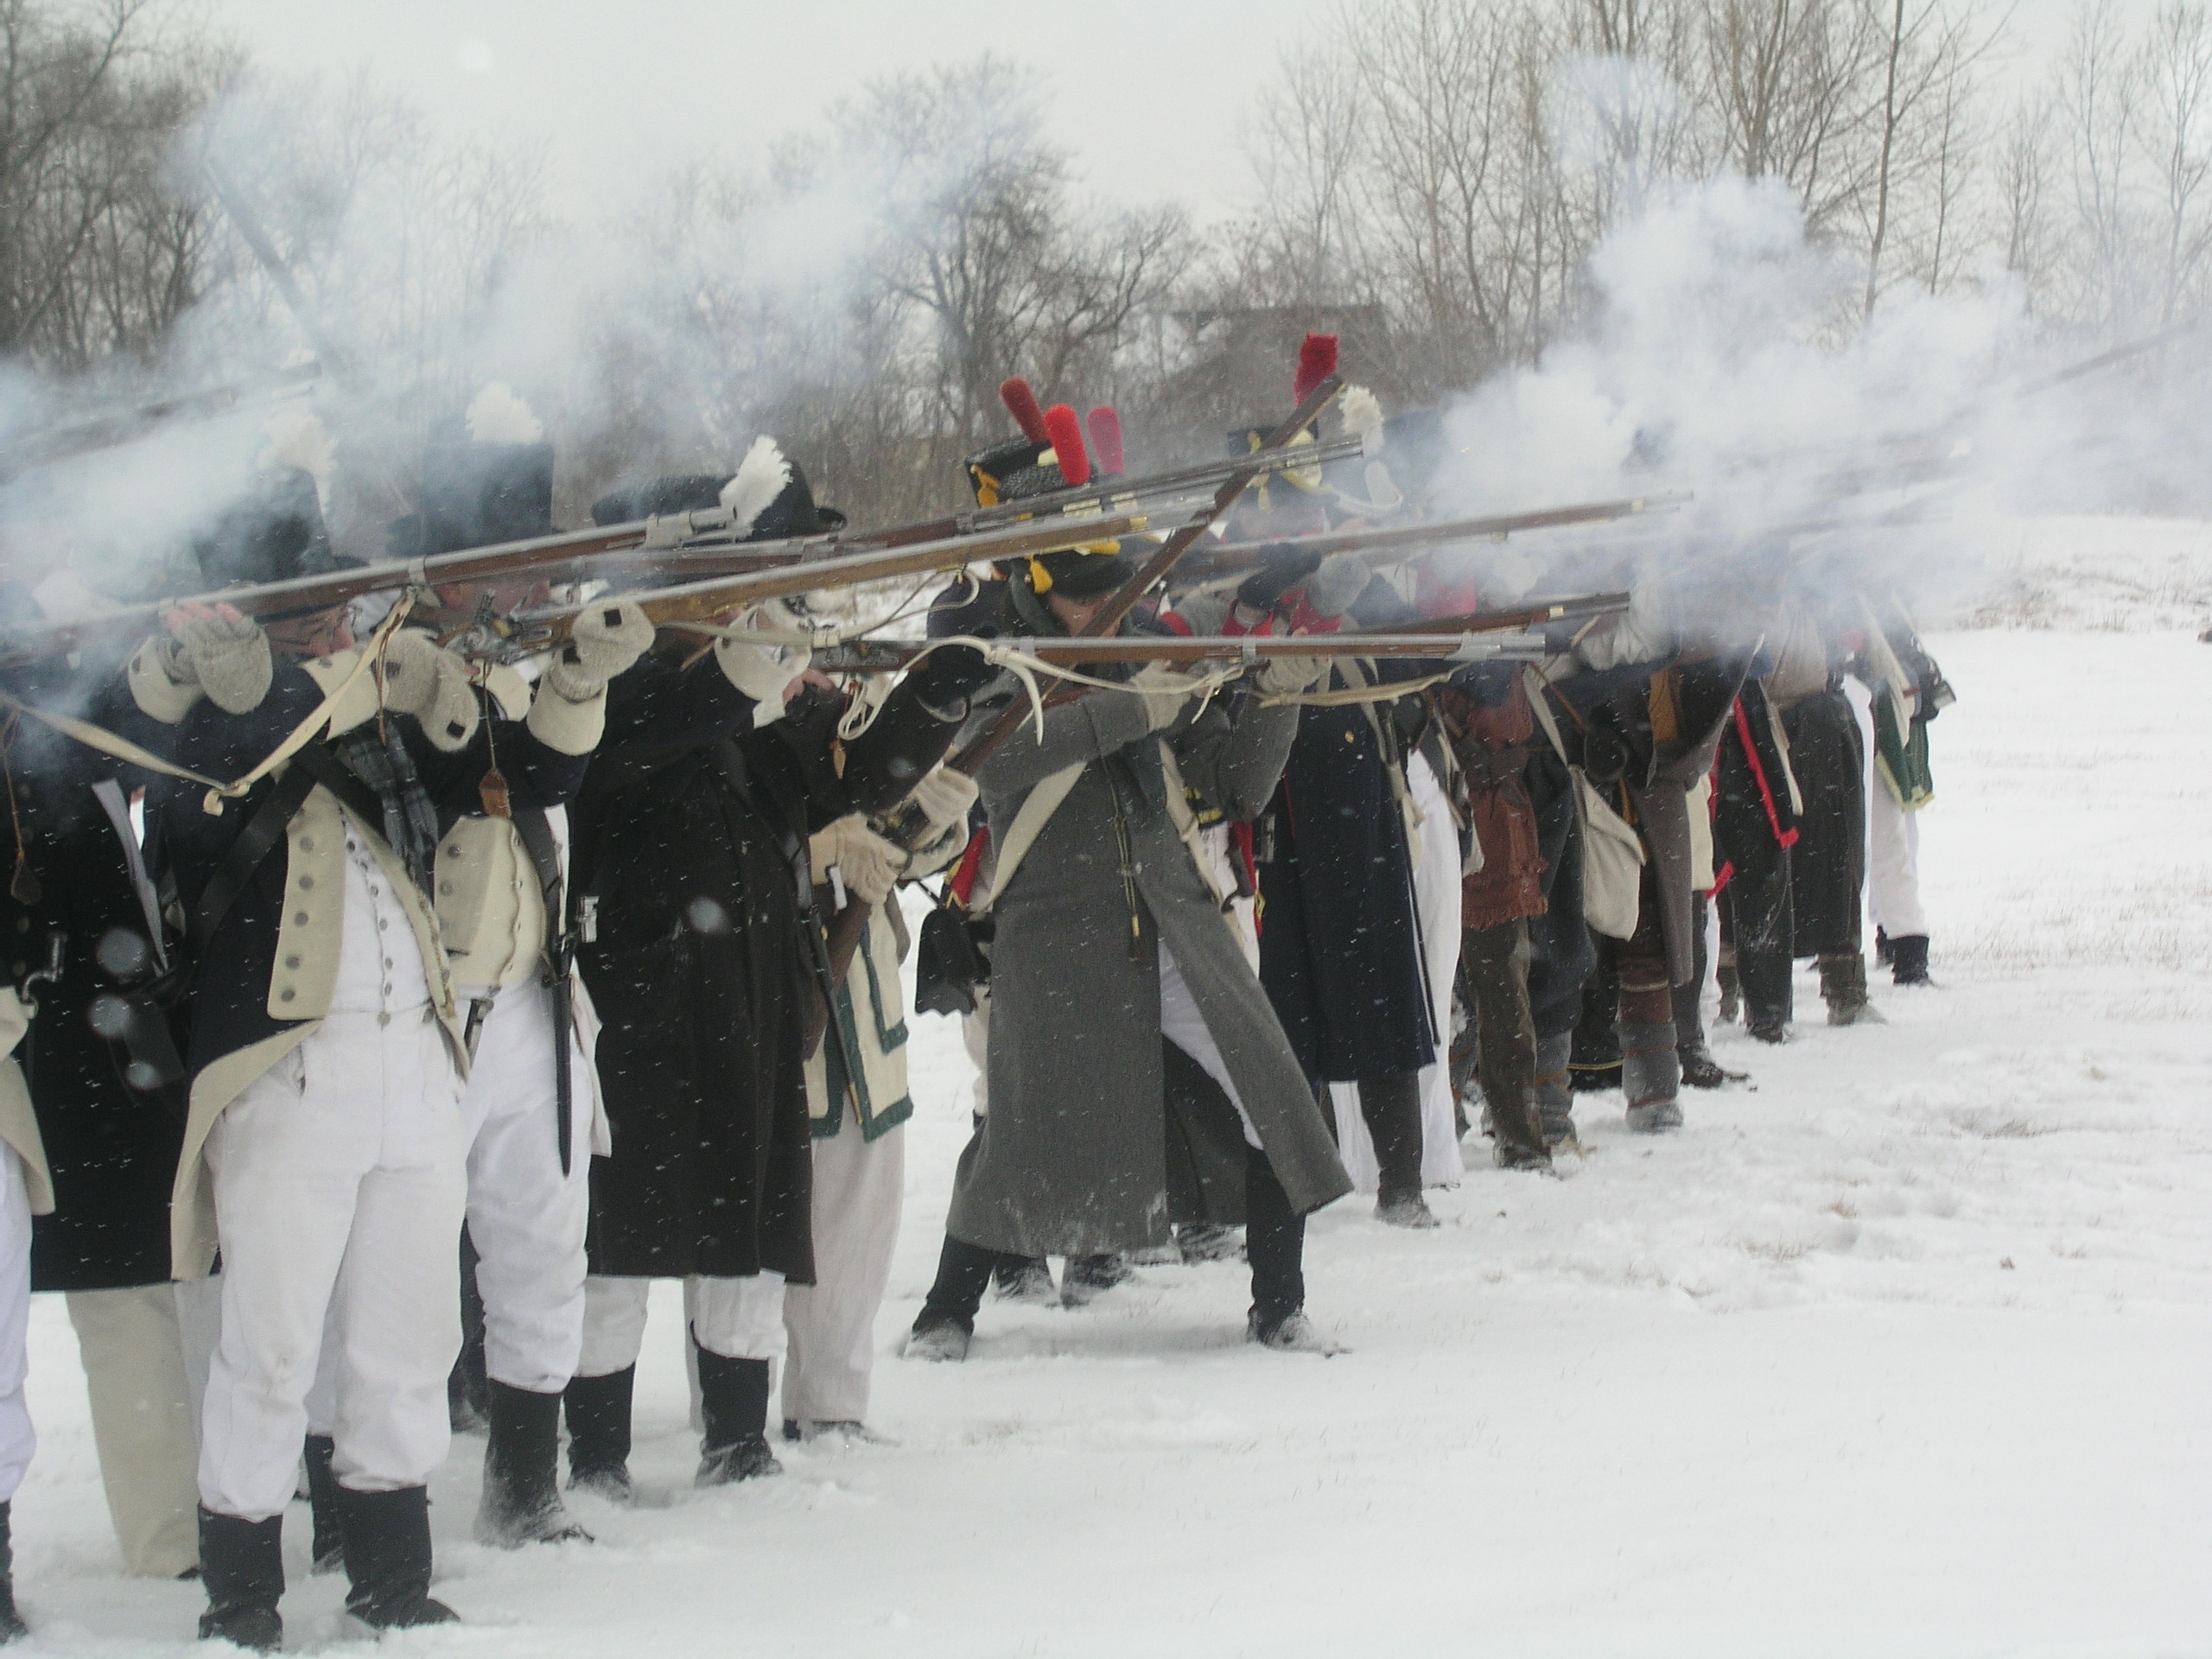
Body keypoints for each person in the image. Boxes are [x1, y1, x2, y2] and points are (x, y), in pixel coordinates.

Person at [132, 457, 591, 1647]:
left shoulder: (389, 705)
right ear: (250, 615)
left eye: (337, 605)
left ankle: (392, 1573)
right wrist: (244, 684)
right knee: (273, 1346)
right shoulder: (191, 733)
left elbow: (517, 773)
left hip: (415, 1067)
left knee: (407, 1340)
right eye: (306, 610)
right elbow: (210, 804)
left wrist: (578, 678)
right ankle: (243, 1592)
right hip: (289, 1078)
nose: (336, 623)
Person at [560, 451, 992, 1495]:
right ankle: (599, 1455)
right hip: (637, 1000)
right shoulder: (610, 688)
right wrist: (754, 656)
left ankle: (738, 1443)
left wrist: (942, 686)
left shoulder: (749, 696)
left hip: (749, 996)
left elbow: (847, 776)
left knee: (745, 1232)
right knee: (617, 1246)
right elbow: (662, 729)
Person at [905, 504, 1352, 1359]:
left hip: (1175, 920)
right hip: (1054, 935)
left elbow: (1234, 780)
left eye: (1112, 584)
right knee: (1017, 1130)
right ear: (1038, 596)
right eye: (1084, 592)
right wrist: (1141, 702)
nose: (1105, 602)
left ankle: (1278, 1304)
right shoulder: (1003, 670)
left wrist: (1277, 680)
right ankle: (943, 1314)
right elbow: (998, 762)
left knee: (1272, 1097)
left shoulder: (1148, 661)